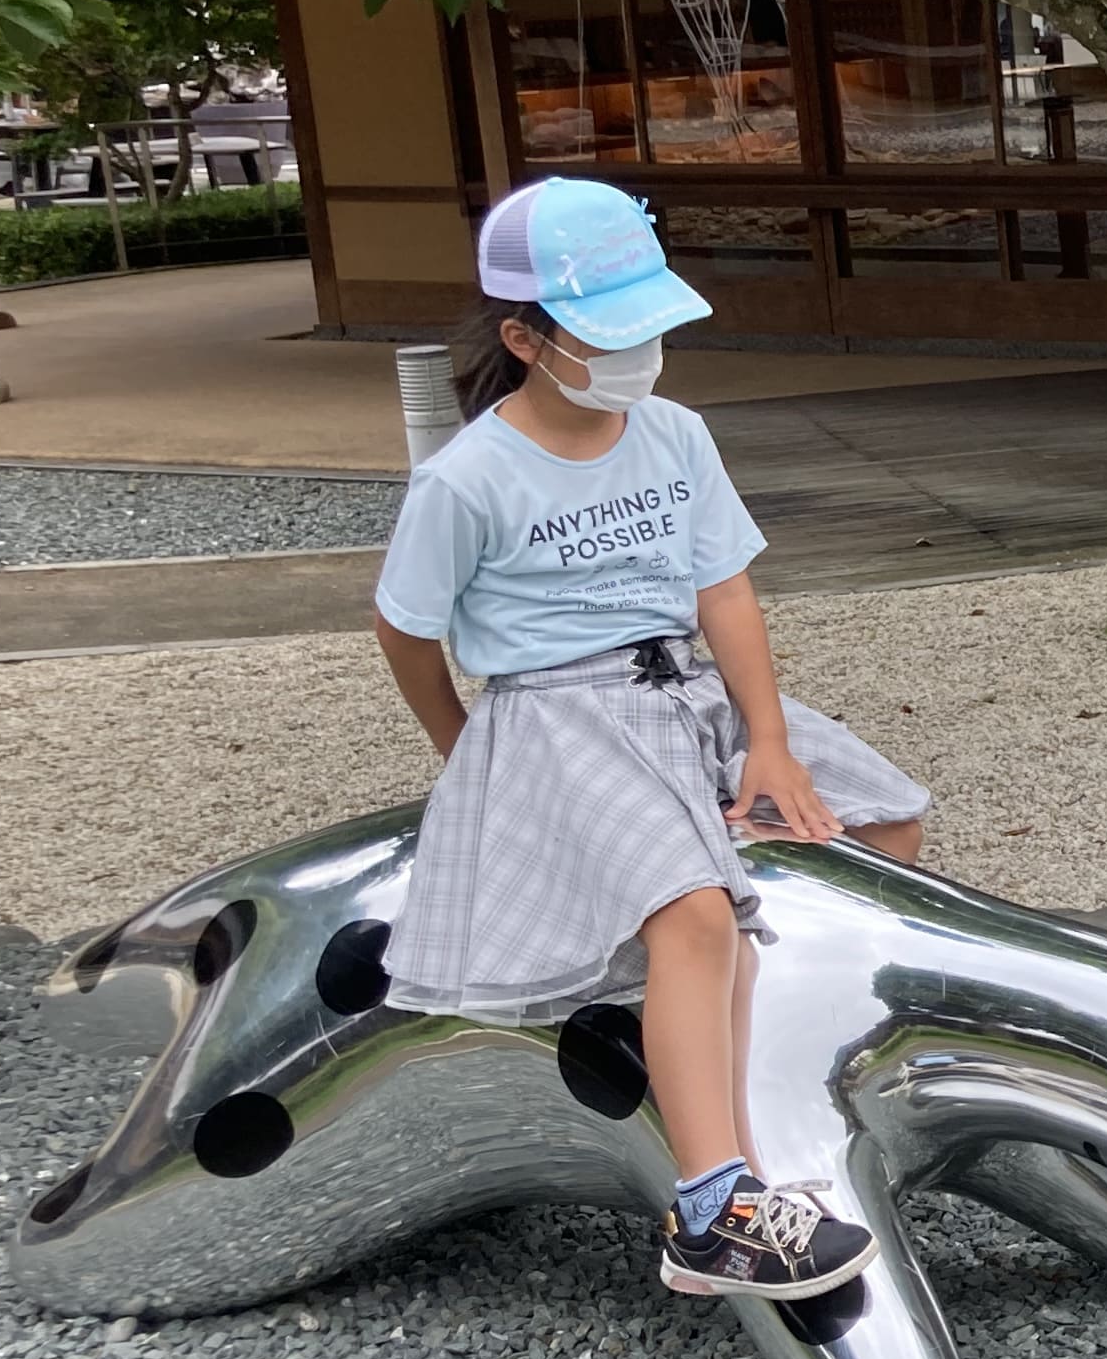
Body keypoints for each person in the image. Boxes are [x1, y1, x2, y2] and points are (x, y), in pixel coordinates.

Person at [372, 178, 933, 1301]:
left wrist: (768, 739)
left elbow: (723, 588)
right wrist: (467, 753)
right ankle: (714, 1207)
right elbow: (404, 629)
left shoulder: (675, 433)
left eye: (647, 327)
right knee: (694, 912)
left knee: (886, 822)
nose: (639, 355)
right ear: (526, 340)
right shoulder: (467, 478)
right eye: (609, 334)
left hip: (685, 689)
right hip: (559, 711)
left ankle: (781, 1068)